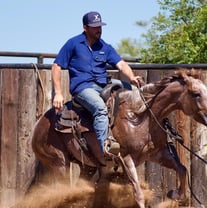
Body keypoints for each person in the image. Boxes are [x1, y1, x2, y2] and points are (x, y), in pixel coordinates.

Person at [52, 11, 141, 157]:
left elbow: (121, 64)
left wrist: (132, 78)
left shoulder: (105, 47)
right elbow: (56, 66)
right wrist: (58, 93)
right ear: (85, 28)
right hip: (83, 88)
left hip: (103, 83)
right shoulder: (73, 44)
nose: (98, 29)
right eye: (94, 26)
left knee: (135, 92)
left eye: (100, 26)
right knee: (100, 109)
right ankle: (106, 148)